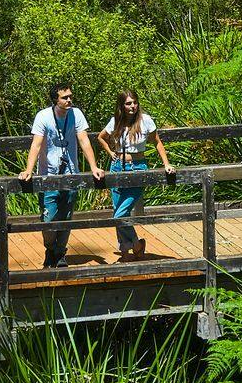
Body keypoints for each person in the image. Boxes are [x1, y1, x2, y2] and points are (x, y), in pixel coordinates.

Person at [17, 83, 105, 268]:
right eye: (65, 98)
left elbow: (84, 140)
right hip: (48, 175)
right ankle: (50, 249)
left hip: (70, 173)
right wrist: (28, 170)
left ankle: (60, 253)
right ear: (55, 100)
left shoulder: (76, 114)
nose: (69, 100)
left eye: (70, 96)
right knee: (48, 217)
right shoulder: (43, 116)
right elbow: (36, 144)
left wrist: (94, 167)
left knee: (66, 216)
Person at [98, 89, 175, 260]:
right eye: (128, 103)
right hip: (117, 166)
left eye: (134, 102)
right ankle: (126, 252)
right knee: (118, 211)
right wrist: (110, 152)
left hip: (138, 167)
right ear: (122, 106)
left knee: (120, 214)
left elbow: (157, 142)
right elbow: (101, 137)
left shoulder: (145, 120)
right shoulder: (116, 121)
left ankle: (136, 244)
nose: (132, 106)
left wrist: (166, 164)